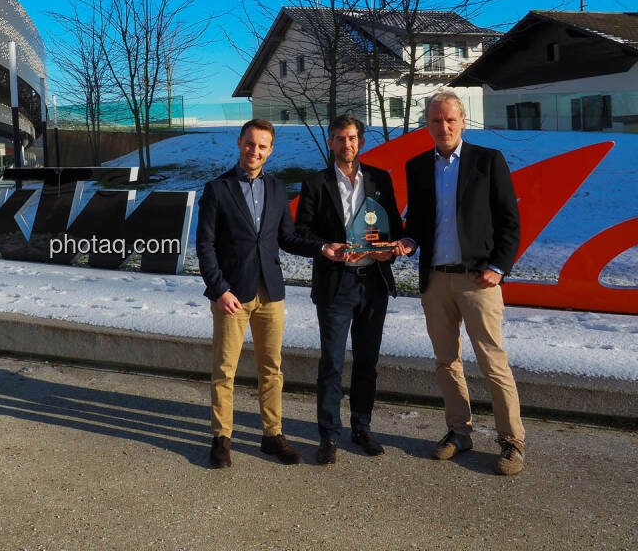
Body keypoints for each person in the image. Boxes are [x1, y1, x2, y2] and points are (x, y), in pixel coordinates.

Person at [197, 118, 341, 468]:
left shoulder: (278, 190)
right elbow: (205, 245)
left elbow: (288, 238)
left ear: (270, 151)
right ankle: (222, 438)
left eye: (262, 146)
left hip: (270, 293)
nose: (255, 151)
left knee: (272, 369)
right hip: (232, 295)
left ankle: (272, 435)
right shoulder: (218, 189)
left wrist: (322, 248)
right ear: (240, 143)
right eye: (250, 143)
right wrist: (219, 289)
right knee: (225, 370)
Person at [397, 89, 525, 476]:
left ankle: (511, 442)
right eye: (436, 120)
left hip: (478, 281)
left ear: (463, 121)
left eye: (450, 119)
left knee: (492, 362)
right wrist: (408, 239)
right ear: (427, 124)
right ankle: (459, 432)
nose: (443, 127)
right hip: (436, 280)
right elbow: (418, 222)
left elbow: (509, 221)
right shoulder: (418, 166)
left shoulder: (488, 161)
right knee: (446, 361)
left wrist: (499, 266)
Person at [295, 114, 405, 465]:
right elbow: (302, 232)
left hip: (373, 283)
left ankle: (362, 427)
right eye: (340, 139)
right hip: (335, 285)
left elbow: (394, 227)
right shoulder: (315, 184)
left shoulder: (379, 179)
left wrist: (392, 247)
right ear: (330, 143)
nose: (347, 145)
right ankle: (328, 435)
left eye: (353, 138)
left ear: (361, 141)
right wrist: (326, 247)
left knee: (367, 362)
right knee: (331, 362)